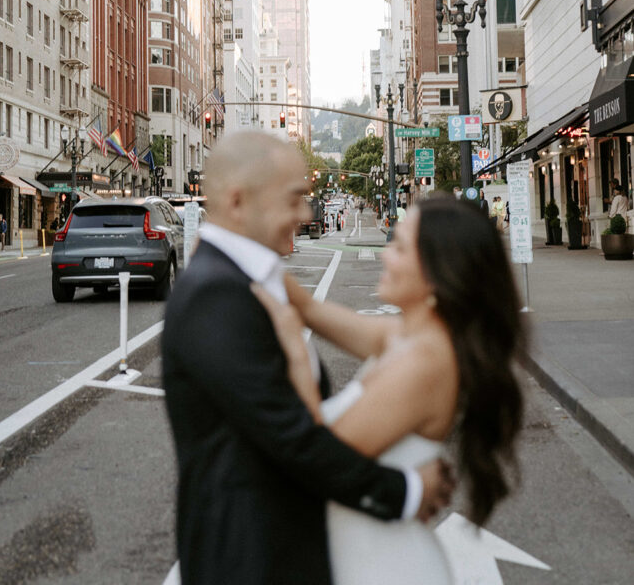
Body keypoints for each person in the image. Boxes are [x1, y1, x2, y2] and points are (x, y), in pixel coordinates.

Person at [162, 132, 454, 585]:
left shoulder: (248, 283)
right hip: (250, 563)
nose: (306, 213)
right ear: (239, 202)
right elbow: (293, 440)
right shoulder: (217, 294)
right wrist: (406, 491)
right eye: (295, 198)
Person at [254, 195, 525, 585]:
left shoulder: (426, 362)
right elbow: (310, 309)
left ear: (436, 272)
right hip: (364, 558)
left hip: (386, 568)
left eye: (398, 246)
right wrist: (238, 249)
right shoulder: (408, 337)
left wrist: (295, 354)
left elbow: (314, 458)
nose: (384, 253)